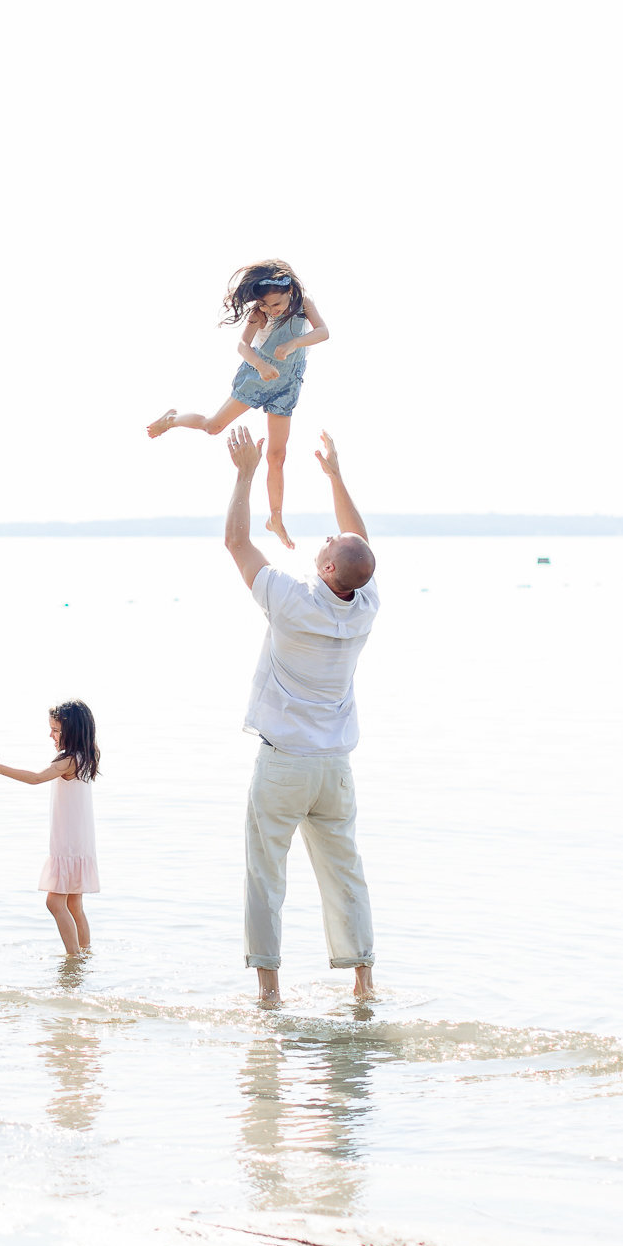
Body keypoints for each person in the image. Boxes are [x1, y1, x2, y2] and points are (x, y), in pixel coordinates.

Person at [221, 426, 379, 1002]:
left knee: (266, 874)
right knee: (346, 873)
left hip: (285, 764)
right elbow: (359, 540)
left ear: (331, 571)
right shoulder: (364, 607)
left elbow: (237, 542)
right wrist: (335, 474)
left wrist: (244, 475)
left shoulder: (290, 600)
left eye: (329, 548)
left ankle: (269, 991)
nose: (326, 542)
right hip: (334, 768)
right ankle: (363, 981)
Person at [146, 259, 332, 549]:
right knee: (212, 426)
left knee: (277, 455)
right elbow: (243, 346)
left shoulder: (302, 302)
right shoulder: (259, 312)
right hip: (257, 376)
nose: (272, 311)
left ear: (289, 290)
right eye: (267, 306)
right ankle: (172, 419)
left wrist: (293, 344)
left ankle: (275, 518)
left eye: (276, 304)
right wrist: (259, 365)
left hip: (287, 383)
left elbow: (323, 332)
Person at [0, 700, 102, 956]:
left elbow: (36, 778)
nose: (51, 735)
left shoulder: (69, 761)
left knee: (54, 903)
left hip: (68, 844)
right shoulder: (84, 757)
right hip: (80, 842)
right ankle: (85, 955)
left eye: (55, 730)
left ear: (72, 730)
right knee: (74, 905)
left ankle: (73, 959)